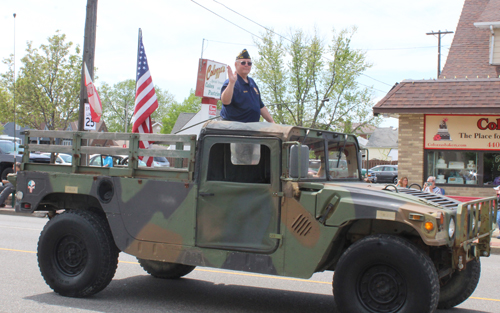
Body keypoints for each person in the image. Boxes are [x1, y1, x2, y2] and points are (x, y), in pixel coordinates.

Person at [220, 49, 274, 123]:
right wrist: (232, 83)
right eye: (243, 63)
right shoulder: (230, 82)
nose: (246, 65)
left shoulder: (252, 82)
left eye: (249, 63)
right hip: (234, 129)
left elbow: (260, 106)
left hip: (252, 128)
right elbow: (225, 101)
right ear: (236, 64)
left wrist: (272, 122)